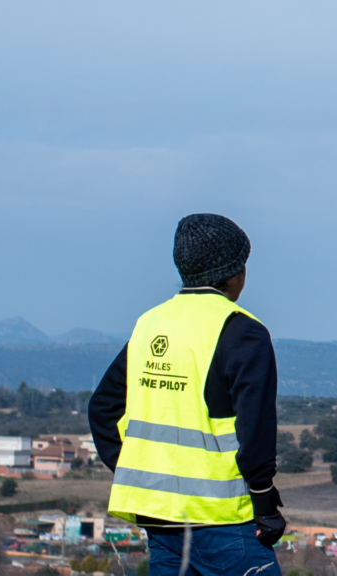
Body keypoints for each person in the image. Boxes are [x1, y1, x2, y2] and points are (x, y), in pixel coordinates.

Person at [89, 213, 285, 575]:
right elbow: (255, 428)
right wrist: (265, 504)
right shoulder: (243, 331)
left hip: (160, 521)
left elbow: (103, 408)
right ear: (235, 273)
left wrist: (139, 472)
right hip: (224, 519)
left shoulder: (151, 322)